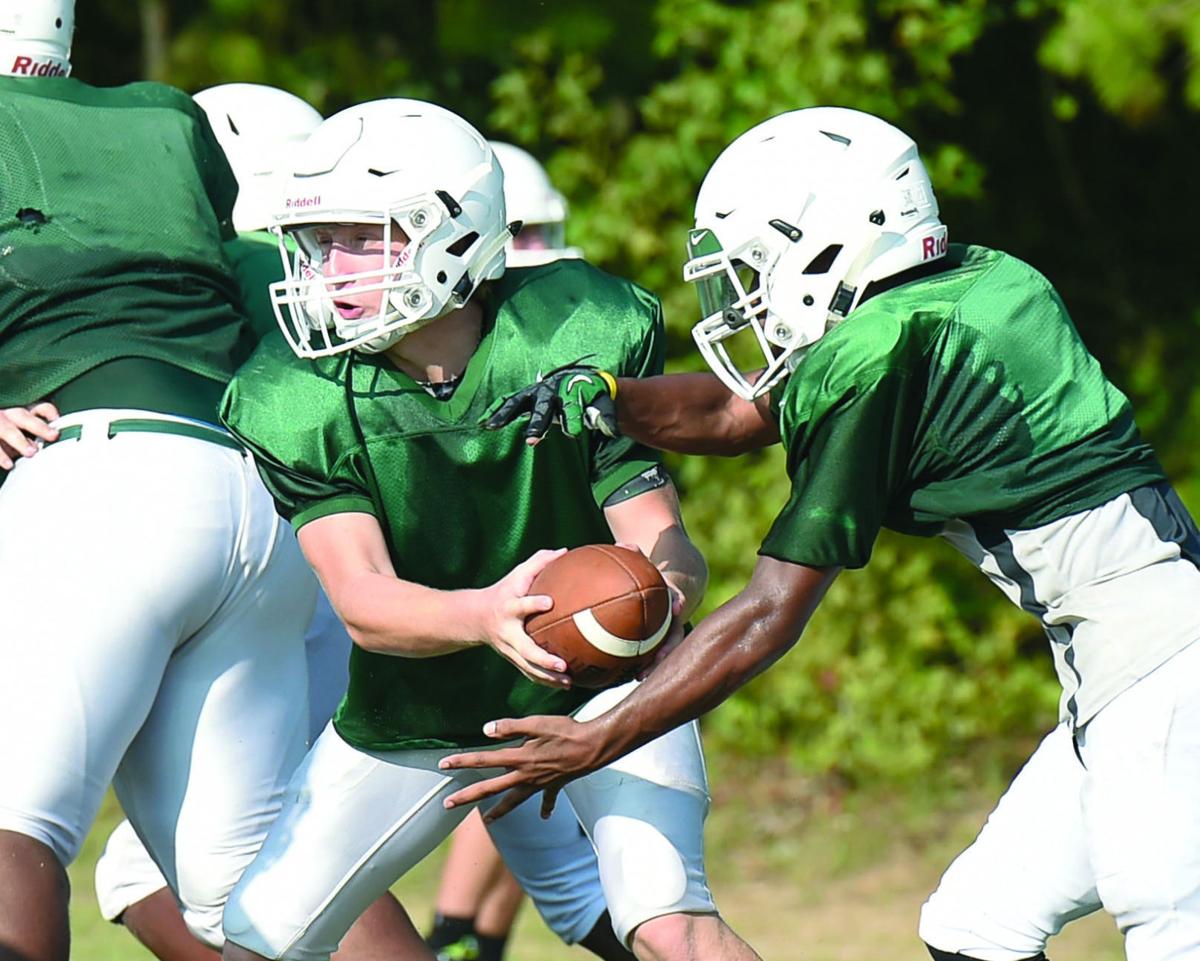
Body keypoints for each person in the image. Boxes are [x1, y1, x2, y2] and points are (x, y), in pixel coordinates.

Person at [442, 106, 1200, 961]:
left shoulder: (880, 352)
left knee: (1169, 925)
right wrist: (606, 395)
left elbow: (770, 611)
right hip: (1123, 655)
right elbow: (737, 411)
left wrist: (598, 738)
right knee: (976, 927)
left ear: (830, 240)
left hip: (1162, 663)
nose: (745, 296)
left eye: (753, 266)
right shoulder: (978, 282)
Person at [214, 97, 760, 961]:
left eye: (363, 237)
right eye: (321, 241)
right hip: (422, 708)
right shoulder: (299, 396)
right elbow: (364, 602)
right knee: (254, 941)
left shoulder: (576, 332)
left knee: (669, 924)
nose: (329, 267)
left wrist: (655, 601)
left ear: (455, 234)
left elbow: (663, 543)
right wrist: (488, 614)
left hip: (600, 688)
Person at [0, 4, 318, 959]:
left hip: (104, 479)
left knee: (16, 822)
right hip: (253, 499)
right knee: (259, 893)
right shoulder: (163, 116)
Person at [86, 82, 430, 961]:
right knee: (250, 852)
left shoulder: (193, 276)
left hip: (283, 561)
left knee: (266, 852)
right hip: (305, 564)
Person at [426, 140, 585, 961]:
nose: (529, 256)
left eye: (537, 233)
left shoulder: (577, 331)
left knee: (530, 771)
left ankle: (471, 935)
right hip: (464, 610)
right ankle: (458, 931)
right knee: (507, 758)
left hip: (552, 602)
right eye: (514, 234)